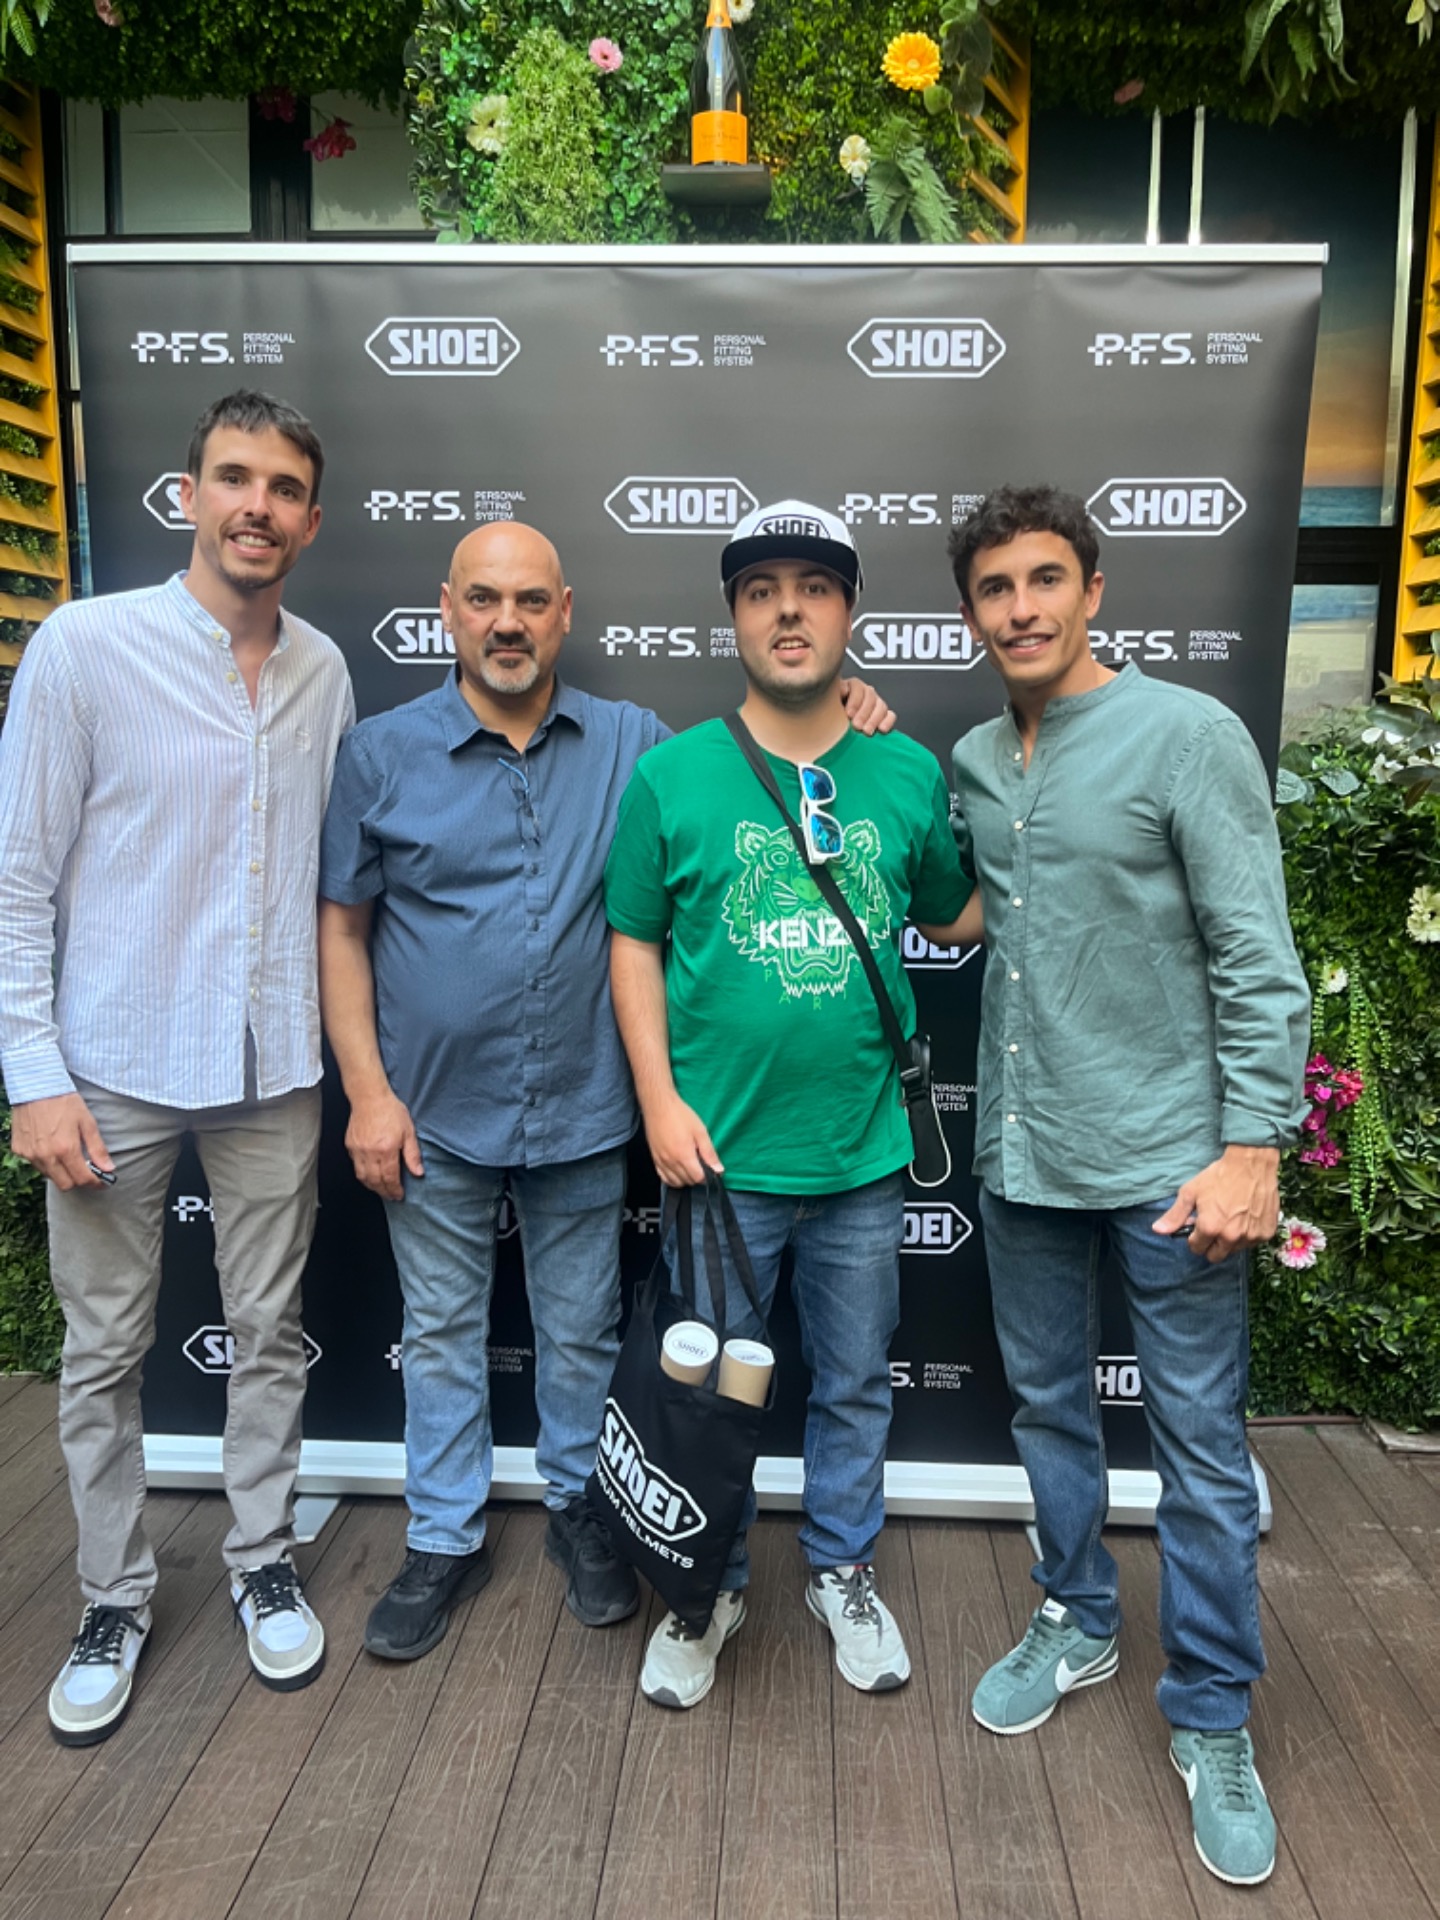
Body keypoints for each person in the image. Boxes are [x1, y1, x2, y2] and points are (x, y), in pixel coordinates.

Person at [317, 518, 892, 1662]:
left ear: (565, 613)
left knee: (580, 1334)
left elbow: (759, 753)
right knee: (440, 1332)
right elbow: (342, 930)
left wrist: (850, 706)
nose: (509, 623)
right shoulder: (379, 755)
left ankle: (582, 1511)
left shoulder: (634, 742)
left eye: (531, 601)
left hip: (583, 1111)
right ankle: (441, 1536)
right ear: (449, 610)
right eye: (486, 600)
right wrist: (367, 1093)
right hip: (430, 1113)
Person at [946, 485, 1309, 1887]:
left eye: (1046, 578)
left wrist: (1254, 1146)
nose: (1022, 607)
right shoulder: (978, 758)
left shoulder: (1188, 734)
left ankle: (1212, 1712)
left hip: (1172, 1164)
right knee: (1048, 1407)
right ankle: (1078, 1615)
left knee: (1200, 1449)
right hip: (1026, 1155)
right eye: (995, 587)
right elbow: (966, 905)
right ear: (971, 612)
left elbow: (1257, 951)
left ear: (1093, 589)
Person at [0, 391, 352, 1746]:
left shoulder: (325, 670)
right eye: (235, 478)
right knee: (102, 1353)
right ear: (188, 494)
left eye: (283, 488)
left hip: (273, 1066)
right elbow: (19, 879)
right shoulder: (84, 648)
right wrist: (33, 1075)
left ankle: (263, 1558)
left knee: (269, 1329)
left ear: (310, 521)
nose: (257, 505)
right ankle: (112, 1597)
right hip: (111, 1067)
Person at [605, 500, 981, 1711]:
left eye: (813, 588)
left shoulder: (906, 770)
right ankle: (702, 1588)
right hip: (717, 1162)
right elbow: (632, 942)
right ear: (733, 616)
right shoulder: (671, 774)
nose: (787, 610)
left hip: (862, 1155)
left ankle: (842, 1571)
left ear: (848, 612)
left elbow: (957, 914)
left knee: (855, 1379)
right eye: (761, 589)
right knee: (706, 1399)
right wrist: (658, 1100)